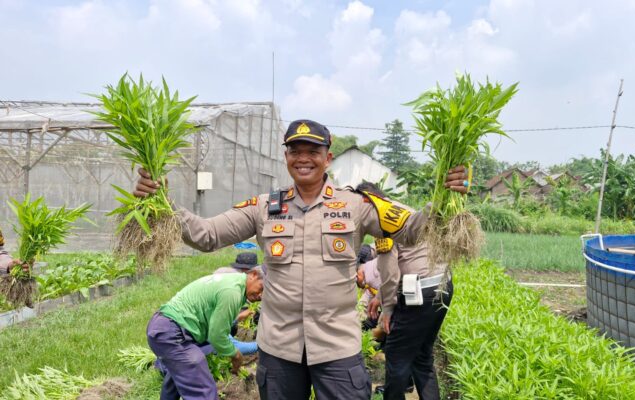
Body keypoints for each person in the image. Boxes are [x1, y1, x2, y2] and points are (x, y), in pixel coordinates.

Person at [134, 119, 471, 400]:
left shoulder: (356, 205)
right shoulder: (263, 207)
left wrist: (445, 197)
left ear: (328, 157)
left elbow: (411, 230)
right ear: (286, 157)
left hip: (337, 349)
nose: (304, 158)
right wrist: (162, 203)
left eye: (313, 151)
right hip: (280, 351)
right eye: (296, 151)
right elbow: (206, 235)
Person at [356, 181, 453, 400]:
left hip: (418, 294)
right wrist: (381, 296)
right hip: (442, 286)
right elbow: (406, 260)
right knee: (422, 357)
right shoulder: (400, 210)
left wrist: (388, 308)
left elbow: (390, 272)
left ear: (366, 201)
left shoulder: (380, 218)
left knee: (396, 356)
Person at [146, 266, 265, 400]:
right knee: (203, 392)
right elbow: (217, 336)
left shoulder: (232, 282)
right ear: (253, 275)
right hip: (172, 333)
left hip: (166, 327)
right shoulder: (232, 292)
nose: (261, 295)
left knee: (180, 374)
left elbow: (215, 326)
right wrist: (236, 355)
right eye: (261, 288)